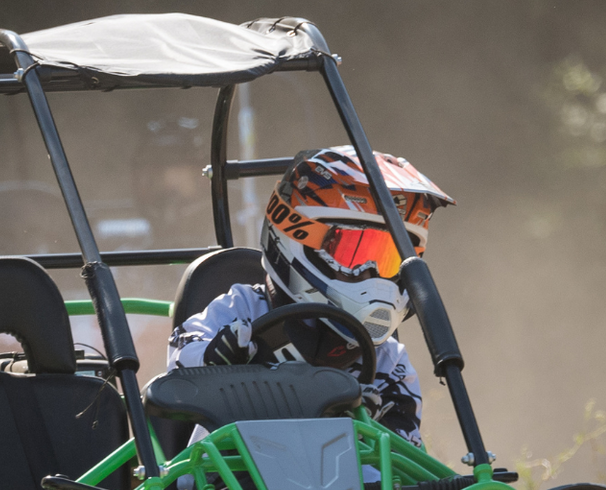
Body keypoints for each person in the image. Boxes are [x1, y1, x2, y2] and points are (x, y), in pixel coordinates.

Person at [166, 146, 453, 445]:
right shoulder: (243, 308)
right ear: (295, 236)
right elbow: (177, 363)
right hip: (229, 480)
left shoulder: (388, 359)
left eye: (389, 260)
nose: (372, 275)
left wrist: (371, 426)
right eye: (354, 253)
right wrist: (216, 363)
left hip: (347, 485)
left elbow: (405, 457)